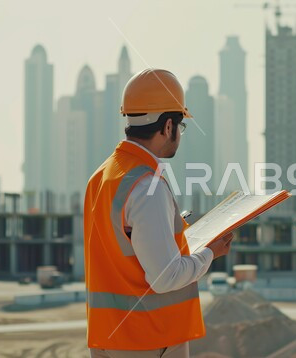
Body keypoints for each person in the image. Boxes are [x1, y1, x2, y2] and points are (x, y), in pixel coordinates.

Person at [84, 68, 233, 357]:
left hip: (109, 337)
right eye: (181, 126)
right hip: (150, 338)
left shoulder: (101, 177)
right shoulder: (147, 186)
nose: (180, 134)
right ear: (168, 127)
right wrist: (210, 253)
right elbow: (165, 277)